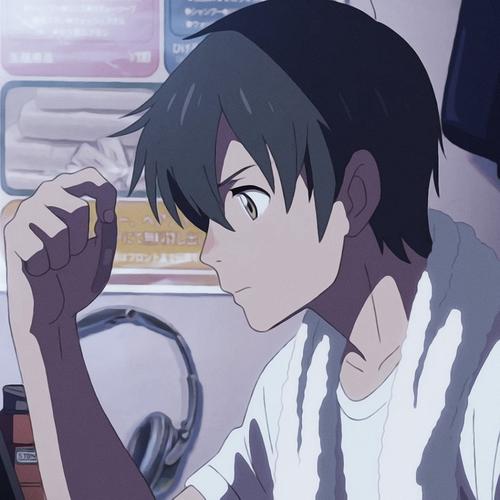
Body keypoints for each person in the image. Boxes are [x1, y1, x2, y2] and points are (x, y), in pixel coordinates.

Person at [3, 1, 500, 499]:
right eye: (208, 216)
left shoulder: (484, 375)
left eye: (246, 201)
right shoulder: (300, 385)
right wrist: (48, 330)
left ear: (354, 192)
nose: (211, 251)